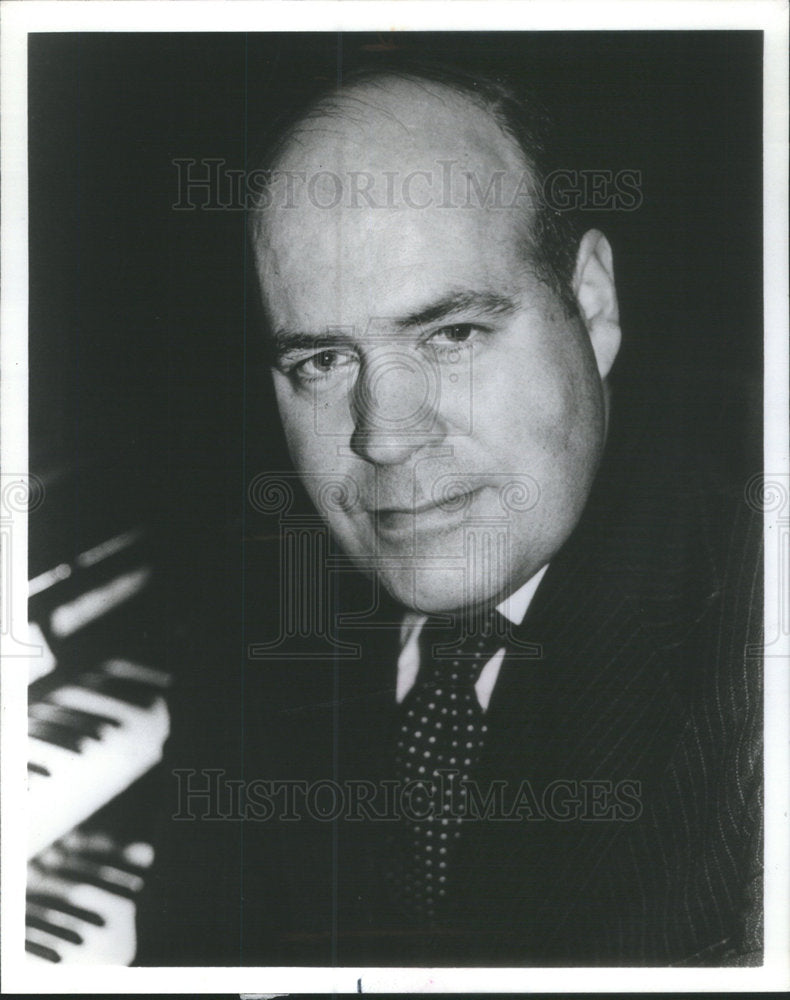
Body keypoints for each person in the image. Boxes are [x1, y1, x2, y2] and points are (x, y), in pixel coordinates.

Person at [136, 63, 762, 967]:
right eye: (321, 361)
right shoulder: (258, 598)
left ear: (590, 304)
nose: (384, 437)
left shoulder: (749, 626)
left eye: (452, 335)